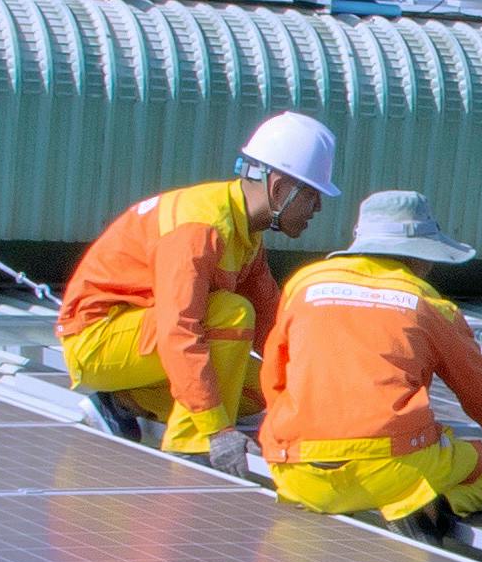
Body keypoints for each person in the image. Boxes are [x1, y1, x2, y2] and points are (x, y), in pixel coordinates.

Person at [252, 187, 482, 539]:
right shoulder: (428, 306)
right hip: (391, 474)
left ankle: (370, 496)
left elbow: (275, 377)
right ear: (418, 255)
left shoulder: (304, 285)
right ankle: (431, 508)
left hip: (296, 474)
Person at [57, 111, 335, 461]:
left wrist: (318, 391)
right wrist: (217, 432)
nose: (319, 208)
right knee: (229, 313)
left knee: (266, 387)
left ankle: (123, 403)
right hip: (97, 342)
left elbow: (273, 327)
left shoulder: (244, 233)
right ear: (280, 189)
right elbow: (179, 330)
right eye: (312, 195)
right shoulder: (200, 228)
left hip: (142, 341)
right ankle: (192, 447)